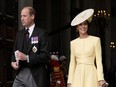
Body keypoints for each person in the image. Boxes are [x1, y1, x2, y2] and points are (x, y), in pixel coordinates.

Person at [67, 9, 108, 87]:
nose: (83, 26)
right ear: (77, 27)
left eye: (85, 24)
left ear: (88, 25)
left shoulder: (96, 40)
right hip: (77, 75)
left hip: (91, 74)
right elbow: (72, 63)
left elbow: (99, 61)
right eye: (80, 24)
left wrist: (101, 79)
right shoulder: (73, 43)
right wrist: (70, 81)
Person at [11, 6, 50, 87]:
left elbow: (45, 56)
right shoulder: (19, 34)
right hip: (20, 73)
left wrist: (27, 58)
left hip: (35, 74)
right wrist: (13, 63)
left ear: (32, 16)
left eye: (24, 16)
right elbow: (14, 52)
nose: (22, 18)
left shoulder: (42, 33)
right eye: (21, 16)